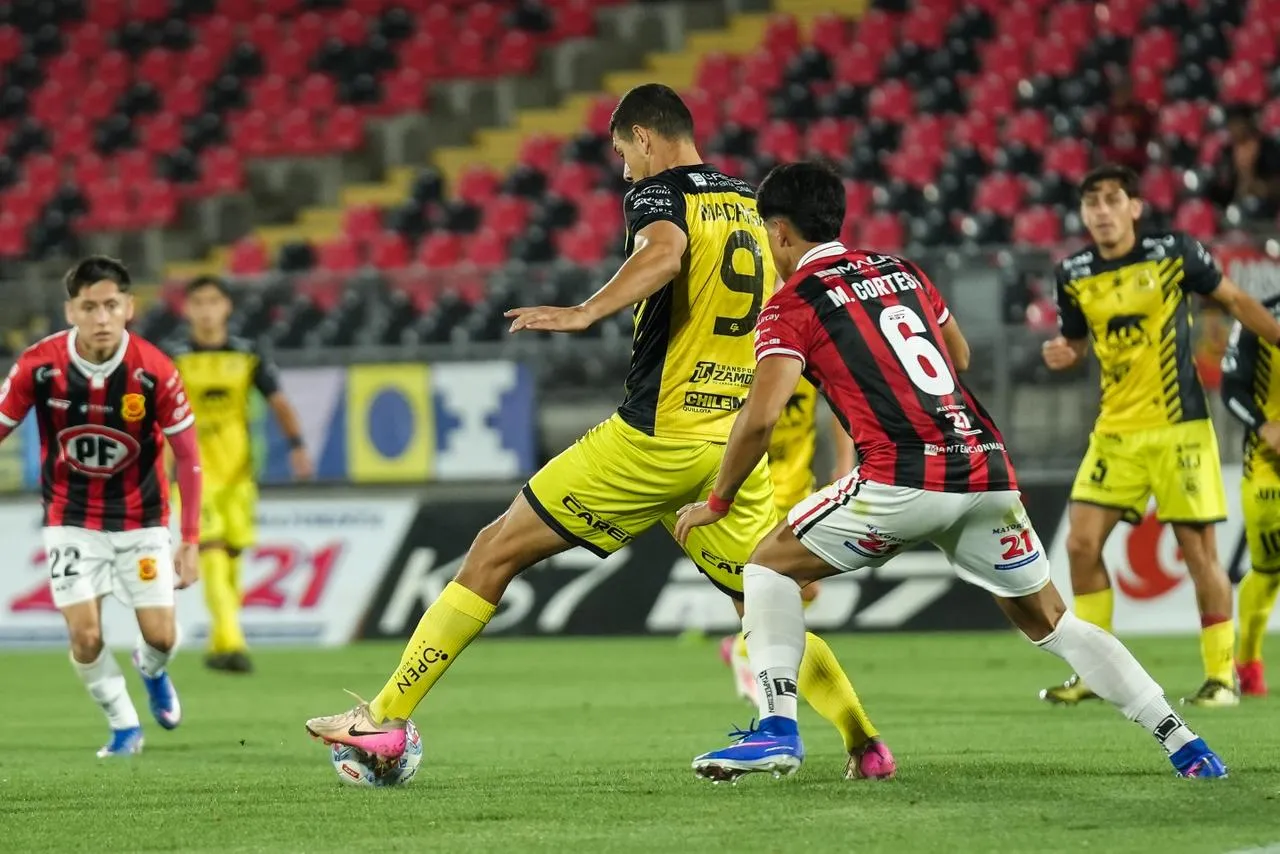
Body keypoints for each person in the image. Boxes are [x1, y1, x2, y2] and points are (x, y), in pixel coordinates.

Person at [304, 84, 894, 781]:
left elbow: (665, 253)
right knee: (762, 601)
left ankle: (385, 721)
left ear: (645, 137)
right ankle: (865, 744)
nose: (623, 171)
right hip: (731, 444)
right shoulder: (753, 205)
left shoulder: (661, 194)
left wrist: (588, 310)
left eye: (622, 152)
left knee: (493, 552)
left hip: (654, 439)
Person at [676, 160, 1226, 782]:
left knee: (766, 566)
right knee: (1052, 620)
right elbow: (957, 356)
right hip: (985, 471)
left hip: (899, 478)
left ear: (777, 232)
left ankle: (777, 728)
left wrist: (716, 502)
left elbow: (760, 418)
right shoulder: (902, 270)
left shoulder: (791, 303)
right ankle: (1184, 742)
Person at [1040, 164, 1280, 708]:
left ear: (1134, 207)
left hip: (1179, 429)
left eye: (1110, 199)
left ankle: (1222, 677)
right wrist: (1064, 353)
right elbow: (1075, 342)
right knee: (1080, 544)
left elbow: (1238, 303)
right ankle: (1098, 673)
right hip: (1115, 432)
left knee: (1199, 555)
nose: (1100, 211)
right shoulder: (1072, 271)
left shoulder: (1175, 252)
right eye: (1090, 202)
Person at [0, 256, 202, 756]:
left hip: (143, 520)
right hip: (70, 521)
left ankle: (151, 671)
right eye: (89, 307)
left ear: (129, 307)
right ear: (70, 311)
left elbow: (190, 458)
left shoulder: (154, 370)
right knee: (86, 638)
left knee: (161, 637)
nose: (101, 318)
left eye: (111, 305)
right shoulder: (39, 365)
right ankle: (124, 725)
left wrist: (191, 540)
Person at [165, 275, 311, 674]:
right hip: (191, 472)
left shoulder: (249, 356)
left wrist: (297, 445)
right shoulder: (173, 357)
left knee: (230, 555)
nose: (207, 310)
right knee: (208, 547)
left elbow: (278, 402)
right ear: (187, 309)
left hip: (240, 472)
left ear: (227, 307)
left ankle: (218, 641)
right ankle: (232, 641)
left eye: (214, 302)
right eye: (199, 303)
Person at [719, 383, 854, 704]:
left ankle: (743, 645)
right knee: (780, 586)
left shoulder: (803, 350)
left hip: (796, 491)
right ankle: (746, 649)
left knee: (805, 588)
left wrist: (844, 462)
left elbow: (840, 397)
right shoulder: (740, 354)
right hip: (749, 489)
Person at [1220, 294, 1280, 697]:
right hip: (1267, 468)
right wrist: (1262, 426)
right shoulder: (1260, 315)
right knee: (1270, 567)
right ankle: (1247, 660)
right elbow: (1230, 388)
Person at [1209, 104, 1280, 218]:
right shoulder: (1227, 152)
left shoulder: (1269, 148)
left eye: (1236, 123)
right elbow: (1222, 187)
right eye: (1230, 123)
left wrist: (1262, 188)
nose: (1232, 127)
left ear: (1247, 122)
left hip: (1268, 209)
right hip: (1234, 209)